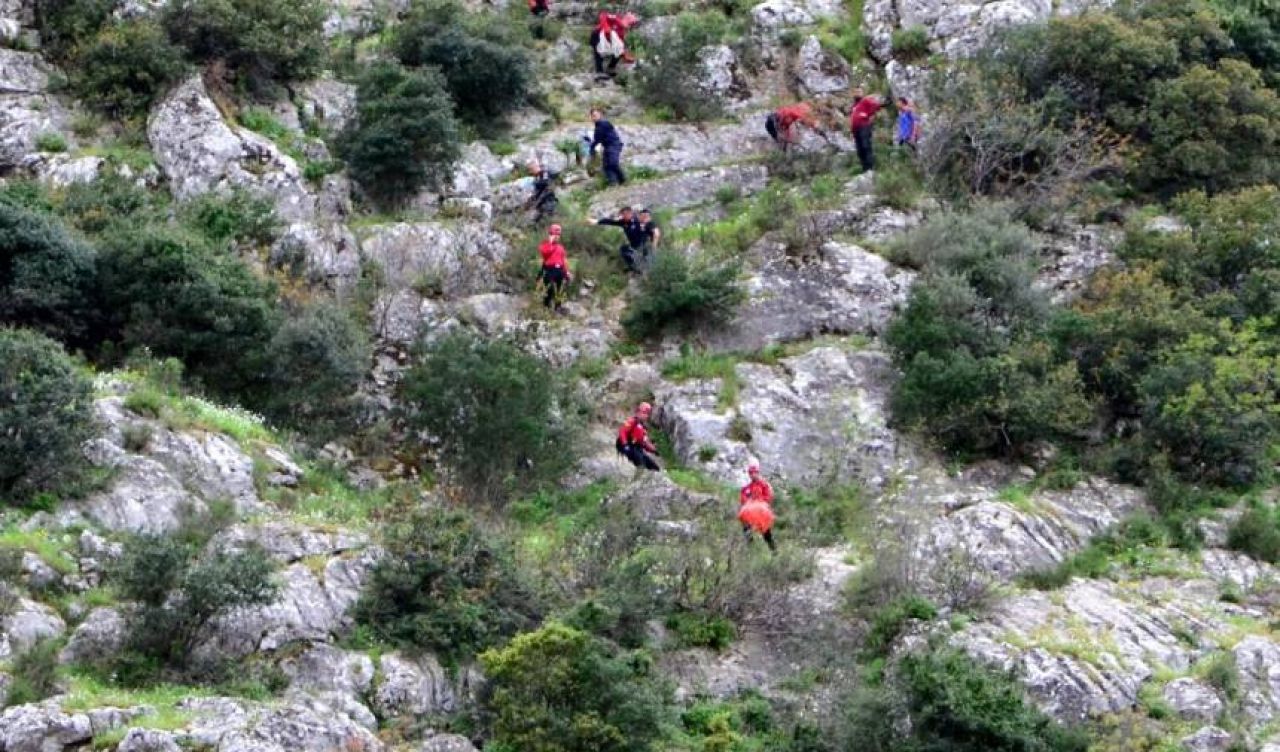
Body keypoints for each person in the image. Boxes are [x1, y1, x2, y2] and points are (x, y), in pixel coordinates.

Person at [593, 206, 654, 273]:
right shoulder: (623, 222)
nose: (623, 216)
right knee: (623, 249)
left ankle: (644, 267)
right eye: (622, 215)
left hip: (643, 246)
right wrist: (597, 222)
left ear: (630, 213)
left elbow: (650, 230)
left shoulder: (637, 221)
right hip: (634, 246)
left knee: (646, 258)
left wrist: (652, 241)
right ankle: (633, 267)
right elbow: (610, 221)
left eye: (625, 214)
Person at [737, 462, 776, 552]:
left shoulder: (764, 485)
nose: (753, 475)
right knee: (746, 529)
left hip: (761, 512)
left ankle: (774, 551)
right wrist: (750, 501)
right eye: (751, 473)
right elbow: (743, 499)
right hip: (751, 512)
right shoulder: (747, 488)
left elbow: (769, 497)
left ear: (758, 473)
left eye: (755, 473)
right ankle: (751, 550)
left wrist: (758, 500)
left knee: (766, 533)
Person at [617, 402, 660, 471]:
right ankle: (639, 476)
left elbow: (644, 442)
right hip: (630, 447)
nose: (645, 416)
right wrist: (625, 444)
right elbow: (622, 432)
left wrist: (654, 450)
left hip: (637, 448)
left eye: (647, 414)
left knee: (654, 467)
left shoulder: (643, 428)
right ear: (638, 412)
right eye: (644, 413)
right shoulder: (632, 421)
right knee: (641, 464)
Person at [849, 92, 886, 172]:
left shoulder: (865, 101)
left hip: (864, 127)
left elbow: (876, 105)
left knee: (866, 146)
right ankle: (865, 169)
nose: (856, 93)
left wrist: (869, 115)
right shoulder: (854, 106)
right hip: (856, 130)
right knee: (860, 150)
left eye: (858, 91)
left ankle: (870, 168)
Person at [538, 224, 571, 312]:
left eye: (558, 235)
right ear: (550, 234)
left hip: (560, 270)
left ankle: (558, 307)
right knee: (549, 289)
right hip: (550, 270)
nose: (557, 237)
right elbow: (545, 253)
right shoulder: (544, 245)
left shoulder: (561, 247)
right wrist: (550, 242)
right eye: (554, 234)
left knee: (560, 289)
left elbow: (564, 260)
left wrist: (567, 272)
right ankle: (546, 308)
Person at [589, 108, 626, 186]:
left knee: (613, 163)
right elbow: (597, 139)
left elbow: (597, 139)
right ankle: (613, 183)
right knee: (606, 166)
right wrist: (592, 148)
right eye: (592, 116)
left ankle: (623, 181)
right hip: (607, 146)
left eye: (596, 115)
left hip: (614, 145)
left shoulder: (604, 123)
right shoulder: (597, 127)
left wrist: (592, 148)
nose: (594, 117)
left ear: (600, 115)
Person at [590, 12, 626, 80]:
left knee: (619, 51)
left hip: (609, 40)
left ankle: (610, 68)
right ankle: (599, 71)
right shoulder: (615, 18)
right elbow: (603, 15)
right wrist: (606, 28)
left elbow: (621, 43)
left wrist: (625, 55)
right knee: (598, 52)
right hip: (597, 35)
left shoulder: (621, 31)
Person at [526, 159, 559, 223]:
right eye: (529, 170)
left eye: (531, 169)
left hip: (548, 202)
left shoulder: (544, 173)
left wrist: (536, 183)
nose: (530, 171)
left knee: (547, 221)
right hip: (541, 204)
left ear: (535, 166)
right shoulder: (537, 177)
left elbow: (546, 184)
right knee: (536, 222)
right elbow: (538, 191)